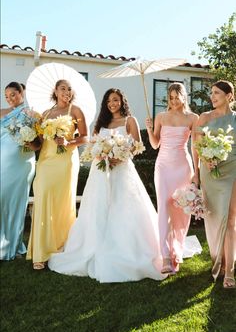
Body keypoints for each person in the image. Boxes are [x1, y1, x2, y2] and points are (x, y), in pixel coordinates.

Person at [48, 88, 167, 283]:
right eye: (109, 100)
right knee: (98, 207)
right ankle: (92, 246)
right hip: (100, 172)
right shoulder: (101, 123)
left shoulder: (130, 120)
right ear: (105, 103)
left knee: (123, 207)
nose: (112, 103)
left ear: (122, 101)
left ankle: (128, 248)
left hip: (122, 170)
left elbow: (137, 147)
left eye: (116, 100)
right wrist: (102, 155)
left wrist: (119, 156)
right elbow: (92, 145)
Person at [26, 79, 88, 270]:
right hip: (45, 161)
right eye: (63, 89)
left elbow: (85, 137)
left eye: (69, 89)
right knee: (42, 197)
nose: (67, 92)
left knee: (62, 203)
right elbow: (40, 142)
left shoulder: (75, 111)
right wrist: (29, 141)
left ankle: (61, 246)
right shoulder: (45, 114)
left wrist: (68, 143)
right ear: (55, 91)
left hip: (66, 162)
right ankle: (40, 252)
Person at [146, 82, 199, 274]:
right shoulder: (161, 116)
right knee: (164, 209)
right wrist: (151, 129)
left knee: (181, 210)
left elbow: (195, 147)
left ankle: (177, 248)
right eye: (171, 98)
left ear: (184, 97)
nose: (174, 101)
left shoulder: (193, 118)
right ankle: (166, 256)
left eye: (178, 97)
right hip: (163, 166)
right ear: (168, 99)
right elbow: (154, 144)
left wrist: (197, 173)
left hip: (183, 167)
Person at [197, 80, 236, 289]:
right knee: (213, 217)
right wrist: (205, 160)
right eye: (211, 93)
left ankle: (229, 271)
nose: (212, 96)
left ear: (229, 95)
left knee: (230, 219)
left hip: (233, 170)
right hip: (210, 170)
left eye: (217, 93)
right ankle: (217, 260)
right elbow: (197, 145)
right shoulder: (204, 118)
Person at [0, 82, 39, 260]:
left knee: (16, 203)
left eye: (13, 95)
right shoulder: (3, 113)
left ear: (22, 93)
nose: (10, 99)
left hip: (20, 163)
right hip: (2, 162)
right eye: (7, 96)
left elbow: (38, 145)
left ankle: (13, 245)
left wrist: (28, 141)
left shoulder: (32, 114)